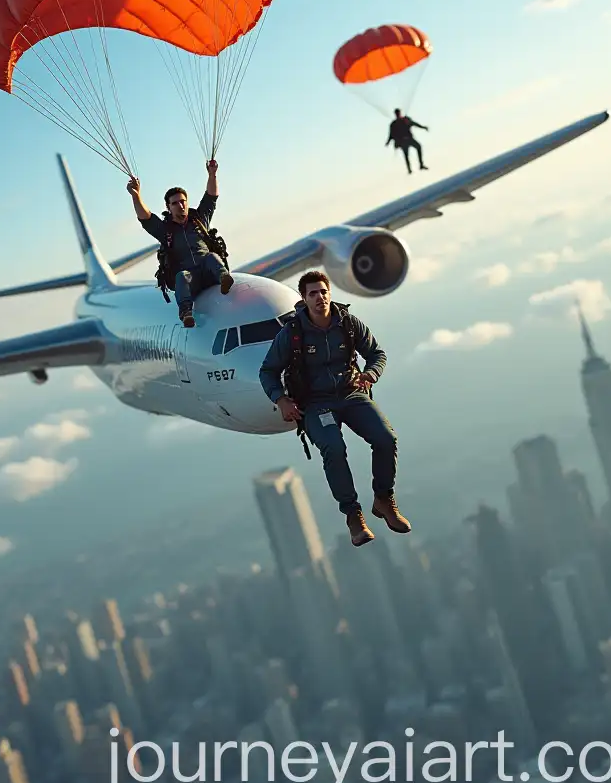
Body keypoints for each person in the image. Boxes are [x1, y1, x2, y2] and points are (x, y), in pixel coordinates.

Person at [259, 270, 410, 546]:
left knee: (386, 439)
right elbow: (268, 371)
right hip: (315, 404)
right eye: (313, 294)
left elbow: (376, 353)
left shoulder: (348, 324)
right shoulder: (292, 334)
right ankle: (354, 516)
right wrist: (281, 399)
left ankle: (384, 500)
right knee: (334, 448)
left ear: (330, 293)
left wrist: (371, 374)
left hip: (352, 394)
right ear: (304, 299)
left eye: (324, 291)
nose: (320, 298)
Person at [127, 159, 234, 327]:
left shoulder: (199, 220)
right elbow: (146, 218)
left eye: (183, 201)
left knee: (211, 257)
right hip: (192, 281)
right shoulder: (166, 230)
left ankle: (224, 279)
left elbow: (211, 197)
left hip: (209, 271)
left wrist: (212, 174)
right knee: (182, 276)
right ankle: (186, 313)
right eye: (175, 203)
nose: (180, 205)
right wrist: (136, 196)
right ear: (168, 207)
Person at [386, 108, 429, 174]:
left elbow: (415, 124)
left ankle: (419, 166)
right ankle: (411, 169)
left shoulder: (404, 120)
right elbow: (391, 135)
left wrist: (423, 127)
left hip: (407, 140)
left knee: (417, 148)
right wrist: (388, 142)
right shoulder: (394, 124)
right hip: (403, 141)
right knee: (407, 154)